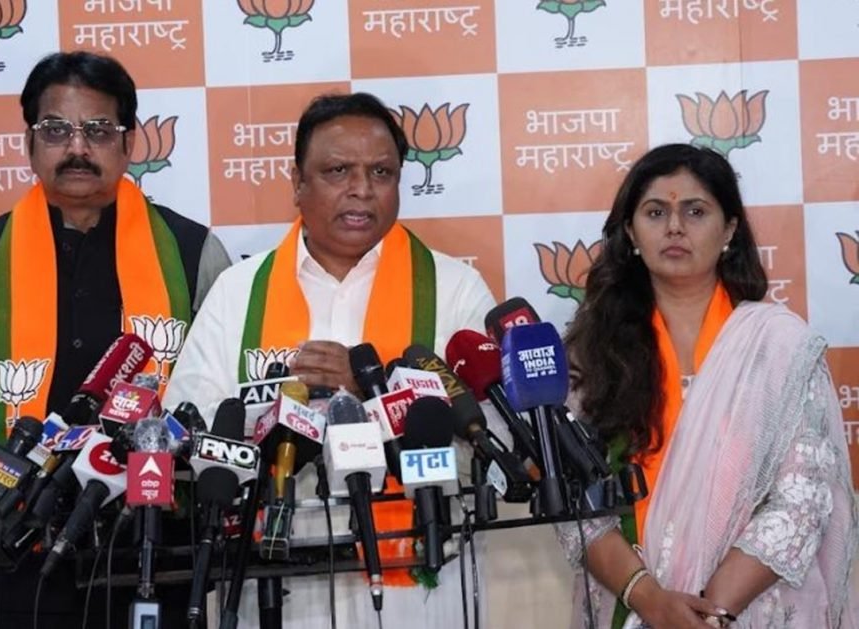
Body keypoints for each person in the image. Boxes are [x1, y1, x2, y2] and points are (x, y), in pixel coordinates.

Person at [162, 92, 498, 628]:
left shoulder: (454, 289)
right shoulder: (238, 293)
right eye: (338, 170)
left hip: (418, 579)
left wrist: (373, 392)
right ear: (297, 182)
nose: (362, 188)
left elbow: (494, 447)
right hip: (274, 583)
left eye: (381, 172)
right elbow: (191, 435)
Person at [0, 51, 231, 629]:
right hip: (21, 544)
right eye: (56, 130)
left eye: (98, 130)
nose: (77, 148)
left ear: (129, 143)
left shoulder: (195, 254)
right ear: (29, 143)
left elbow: (213, 399)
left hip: (156, 544)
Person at [556, 144, 857, 628]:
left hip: (751, 608)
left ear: (730, 230)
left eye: (695, 211)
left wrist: (710, 613)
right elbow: (577, 502)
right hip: (631, 604)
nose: (675, 227)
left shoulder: (779, 346)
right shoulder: (592, 355)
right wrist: (652, 601)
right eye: (656, 212)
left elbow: (803, 497)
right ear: (631, 231)